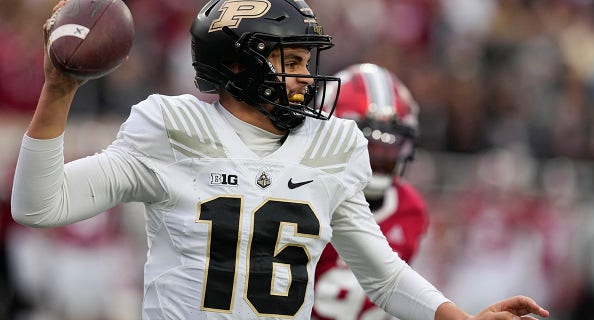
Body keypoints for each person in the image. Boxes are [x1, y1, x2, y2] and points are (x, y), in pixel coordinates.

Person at [11, 0, 550, 319]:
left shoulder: (333, 146)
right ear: (239, 66)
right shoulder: (171, 128)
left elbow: (381, 274)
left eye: (306, 60)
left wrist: (456, 317)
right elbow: (40, 205)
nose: (306, 78)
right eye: (290, 60)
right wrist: (58, 90)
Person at [312, 63, 429, 320]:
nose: (377, 158)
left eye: (390, 146)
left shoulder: (410, 209)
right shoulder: (306, 195)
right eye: (367, 145)